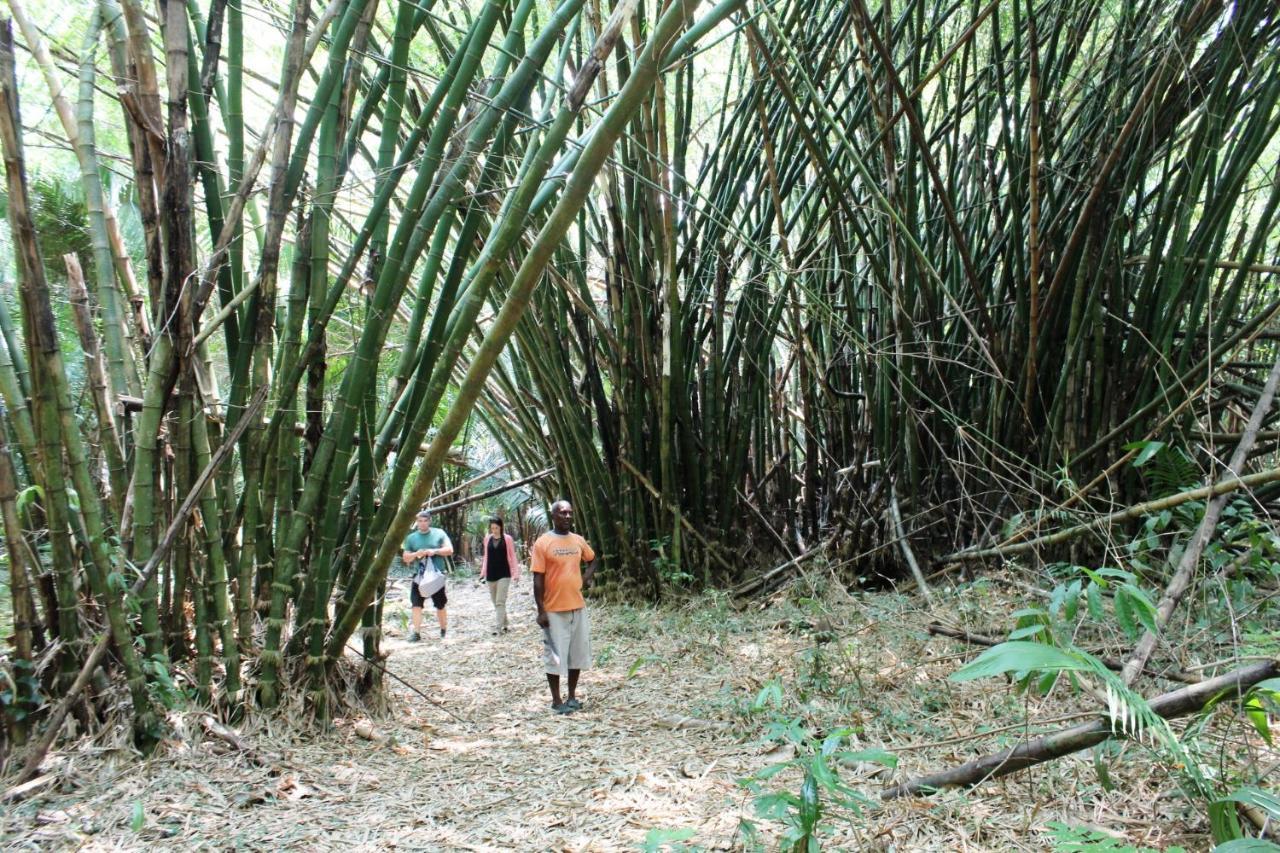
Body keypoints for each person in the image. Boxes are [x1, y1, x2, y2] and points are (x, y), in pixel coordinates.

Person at [530, 500, 596, 714]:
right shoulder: (543, 543)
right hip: (553, 608)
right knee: (555, 656)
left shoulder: (577, 540)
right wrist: (541, 611)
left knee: (576, 654)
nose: (567, 516)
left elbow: (593, 559)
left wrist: (585, 578)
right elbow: (537, 578)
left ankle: (572, 697)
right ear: (553, 516)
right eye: (562, 513)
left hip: (577, 606)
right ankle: (557, 701)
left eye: (570, 513)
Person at [402, 509, 453, 641]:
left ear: (429, 521)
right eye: (420, 521)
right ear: (416, 522)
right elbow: (406, 557)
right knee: (416, 605)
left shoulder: (439, 533)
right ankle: (416, 633)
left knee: (440, 604)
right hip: (419, 576)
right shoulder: (411, 538)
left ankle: (443, 631)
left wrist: (434, 551)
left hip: (436, 575)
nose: (423, 523)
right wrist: (415, 554)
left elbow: (449, 550)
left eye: (425, 521)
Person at [479, 517, 520, 635]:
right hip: (491, 574)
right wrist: (482, 572)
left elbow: (512, 556)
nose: (494, 530)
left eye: (496, 528)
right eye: (492, 528)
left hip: (504, 574)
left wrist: (516, 573)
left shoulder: (507, 539)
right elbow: (486, 557)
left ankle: (498, 628)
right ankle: (505, 623)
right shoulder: (487, 539)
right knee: (495, 602)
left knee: (500, 602)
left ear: (501, 527)